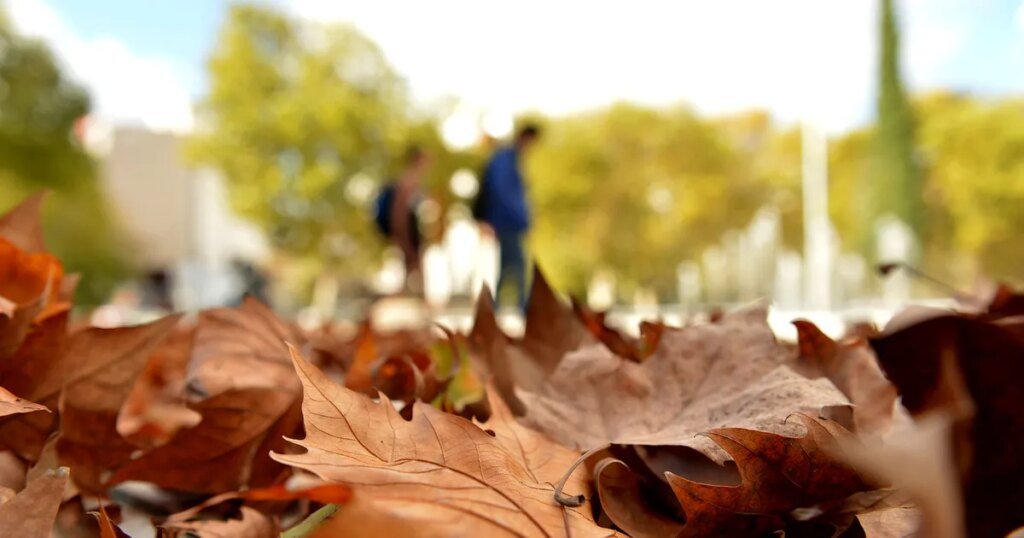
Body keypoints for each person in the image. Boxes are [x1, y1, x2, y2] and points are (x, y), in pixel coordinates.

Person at [477, 124, 541, 311]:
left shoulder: (508, 158)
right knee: (516, 265)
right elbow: (504, 193)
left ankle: (497, 309)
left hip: (507, 222)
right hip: (507, 223)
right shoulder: (506, 159)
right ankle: (521, 308)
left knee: (509, 266)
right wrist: (522, 219)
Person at [374, 146, 430, 292]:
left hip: (411, 231)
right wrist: (402, 237)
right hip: (407, 232)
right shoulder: (408, 181)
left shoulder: (414, 181)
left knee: (411, 273)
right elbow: (399, 213)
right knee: (414, 270)